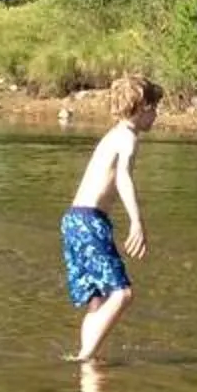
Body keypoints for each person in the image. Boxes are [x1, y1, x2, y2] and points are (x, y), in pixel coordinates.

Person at [63, 74, 160, 364]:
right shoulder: (128, 138)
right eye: (154, 109)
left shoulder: (114, 134)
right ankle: (84, 358)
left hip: (74, 220)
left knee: (97, 299)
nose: (156, 116)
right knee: (122, 293)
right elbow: (123, 178)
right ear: (142, 107)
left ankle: (90, 369)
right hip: (89, 221)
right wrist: (137, 221)